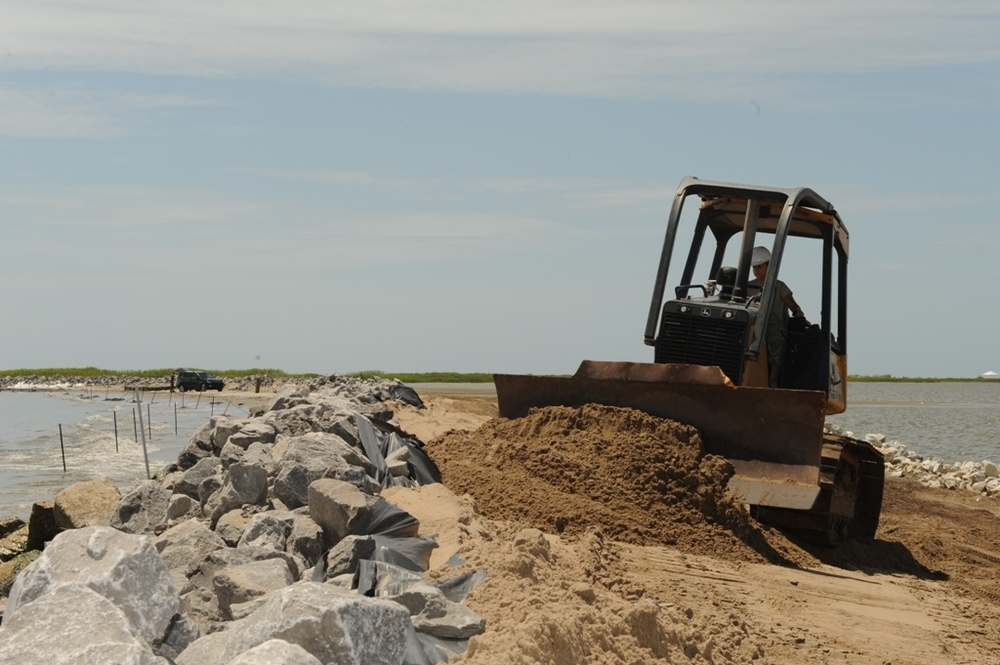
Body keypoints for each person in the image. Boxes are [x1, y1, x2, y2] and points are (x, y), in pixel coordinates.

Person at [748, 246, 804, 387]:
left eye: (759, 267)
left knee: (776, 355)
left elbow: (794, 307)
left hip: (774, 328)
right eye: (754, 267)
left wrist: (798, 311)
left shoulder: (779, 286)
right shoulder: (746, 287)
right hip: (753, 326)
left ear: (769, 266)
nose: (756, 270)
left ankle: (773, 383)